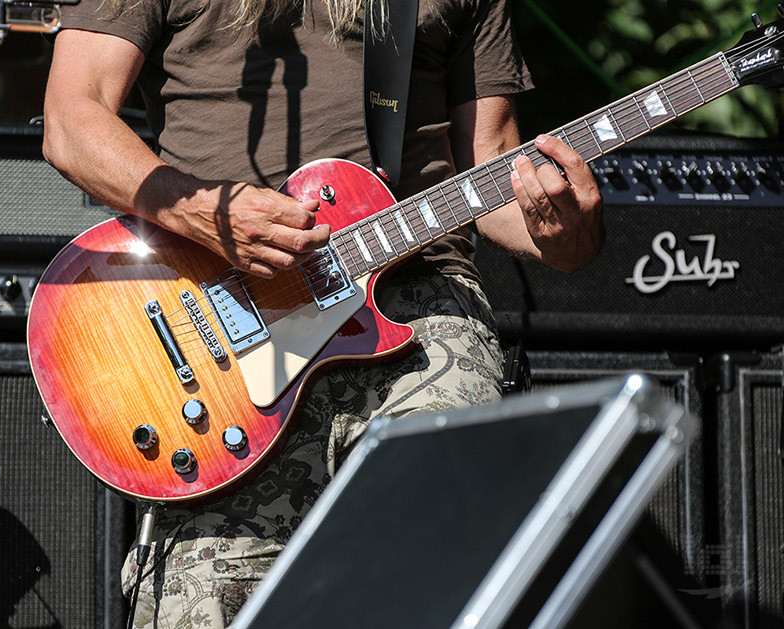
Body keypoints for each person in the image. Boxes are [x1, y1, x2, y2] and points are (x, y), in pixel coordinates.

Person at [42, 0, 603, 625]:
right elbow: (72, 119)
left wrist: (561, 236)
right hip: (211, 315)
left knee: (442, 565)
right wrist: (202, 212)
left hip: (418, 305)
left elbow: (489, 163)